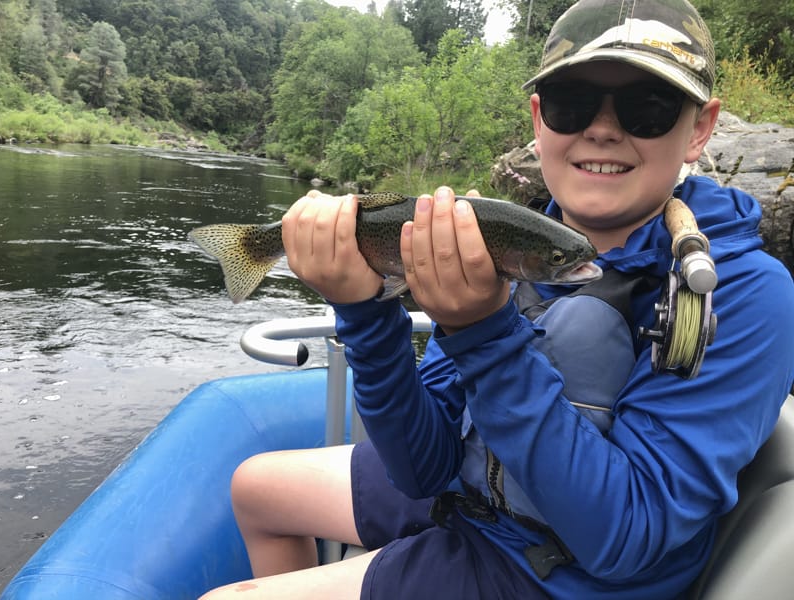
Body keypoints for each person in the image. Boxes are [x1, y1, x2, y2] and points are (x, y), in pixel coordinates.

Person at [201, 0, 794, 598]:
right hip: (470, 494)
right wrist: (364, 309)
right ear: (539, 121)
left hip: (558, 573)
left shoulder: (739, 294)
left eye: (649, 107)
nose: (603, 128)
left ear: (699, 128)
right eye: (572, 104)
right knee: (255, 486)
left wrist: (482, 332)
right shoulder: (500, 243)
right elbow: (421, 471)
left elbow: (627, 537)